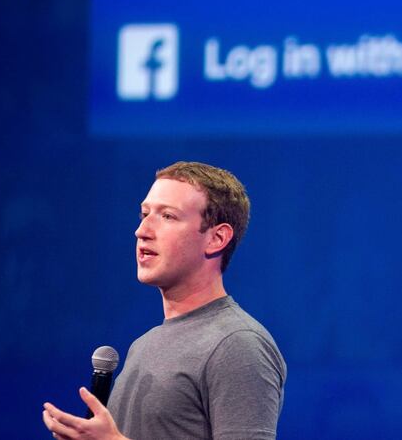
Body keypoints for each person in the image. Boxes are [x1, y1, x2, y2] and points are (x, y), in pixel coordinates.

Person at [42, 161, 287, 439]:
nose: (142, 230)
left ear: (217, 238)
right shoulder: (143, 346)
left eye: (168, 216)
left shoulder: (237, 344)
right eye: (144, 214)